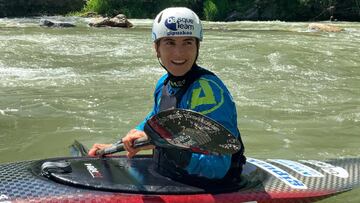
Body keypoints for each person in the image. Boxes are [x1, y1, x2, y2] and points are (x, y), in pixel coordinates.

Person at [89, 7, 245, 181]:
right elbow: (155, 121)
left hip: (204, 186)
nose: (179, 53)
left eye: (187, 42)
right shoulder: (164, 83)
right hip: (169, 175)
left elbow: (218, 167)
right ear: (157, 48)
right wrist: (118, 144)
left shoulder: (208, 93)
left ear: (197, 46)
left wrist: (169, 146)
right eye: (170, 42)